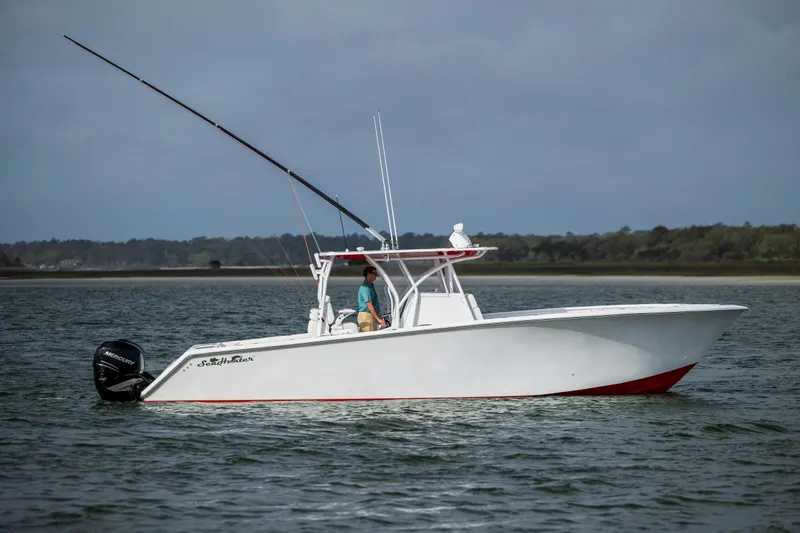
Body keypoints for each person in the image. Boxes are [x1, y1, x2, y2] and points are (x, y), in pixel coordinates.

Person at [357, 266, 386, 332]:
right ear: (368, 274)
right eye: (374, 273)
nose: (376, 275)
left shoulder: (370, 286)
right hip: (366, 316)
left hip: (370, 315)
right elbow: (369, 305)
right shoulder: (365, 288)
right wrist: (379, 320)